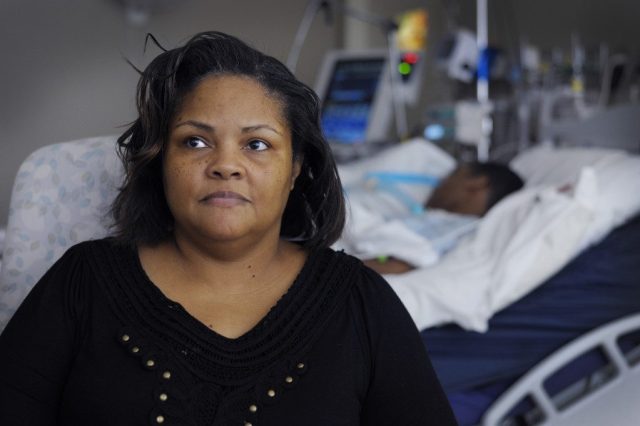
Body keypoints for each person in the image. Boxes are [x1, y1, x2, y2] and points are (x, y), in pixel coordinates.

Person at [0, 32, 457, 425]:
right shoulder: (83, 281)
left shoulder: (361, 302)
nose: (225, 165)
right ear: (162, 161)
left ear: (297, 167)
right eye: (195, 141)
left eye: (257, 144)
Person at [361, 161, 524, 274]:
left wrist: (338, 268)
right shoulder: (442, 220)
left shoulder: (459, 228)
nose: (439, 185)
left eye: (451, 176)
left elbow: (396, 265)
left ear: (478, 184)